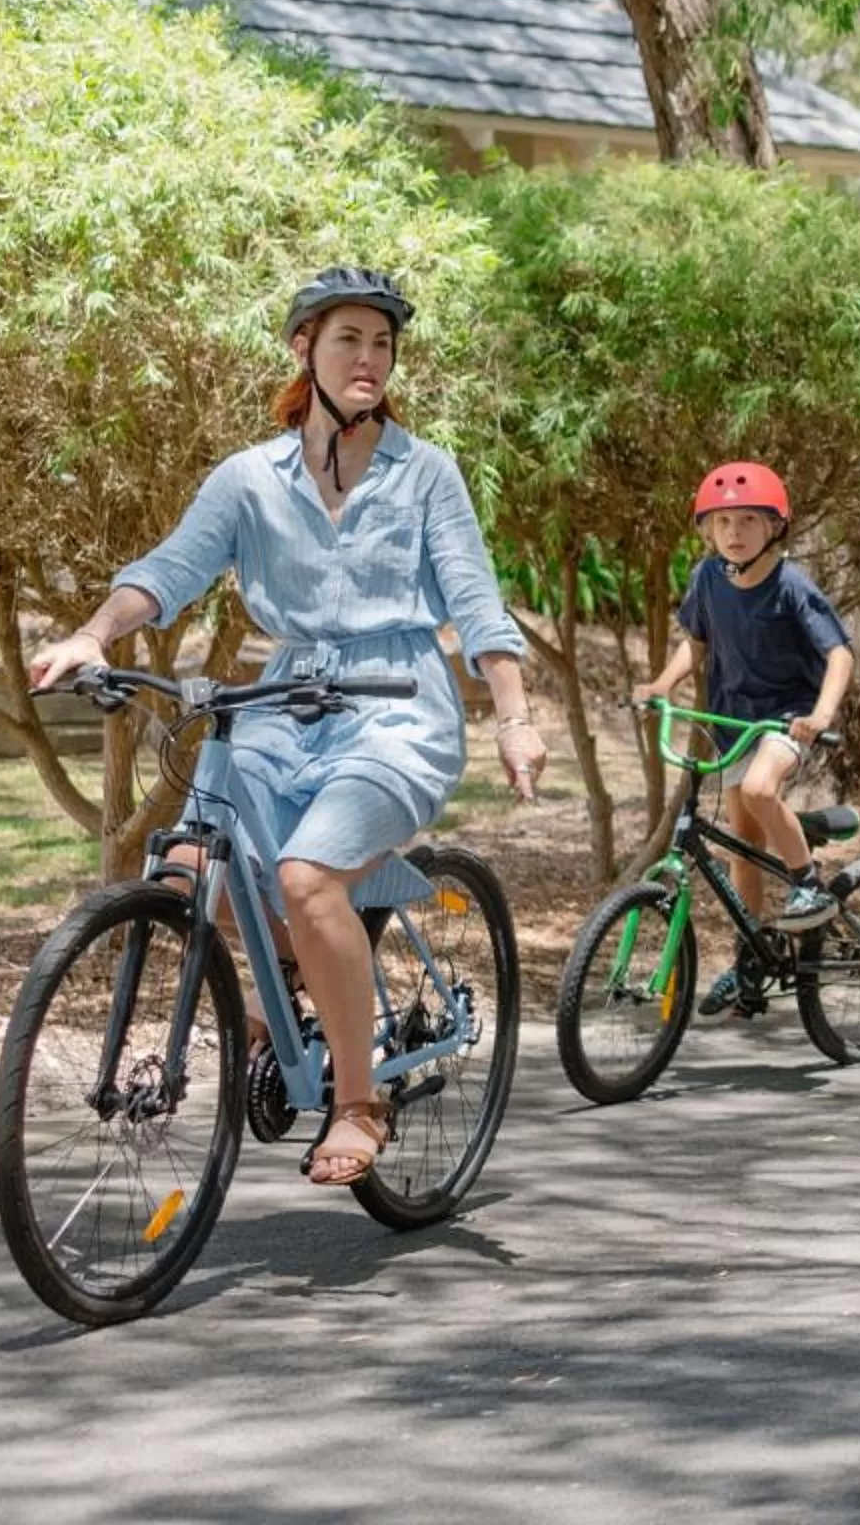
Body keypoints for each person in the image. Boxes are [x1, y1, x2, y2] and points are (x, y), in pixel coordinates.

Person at [27, 266, 544, 1188]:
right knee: (190, 865)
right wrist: (94, 633)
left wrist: (513, 715)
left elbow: (474, 598)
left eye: (383, 344)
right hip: (283, 697)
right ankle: (299, 977)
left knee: (306, 878)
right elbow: (173, 566)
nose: (370, 359)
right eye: (350, 339)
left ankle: (357, 1102)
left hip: (396, 710)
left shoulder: (424, 472)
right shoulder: (248, 479)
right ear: (304, 348)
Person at [632, 461, 855, 1015]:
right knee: (743, 848)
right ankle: (750, 959)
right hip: (735, 720)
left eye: (749, 521)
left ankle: (808, 882)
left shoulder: (790, 585)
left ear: (774, 527)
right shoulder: (709, 578)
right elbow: (697, 643)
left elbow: (840, 653)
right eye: (723, 521)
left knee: (760, 789)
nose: (734, 532)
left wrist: (822, 714)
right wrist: (662, 682)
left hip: (787, 718)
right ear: (708, 529)